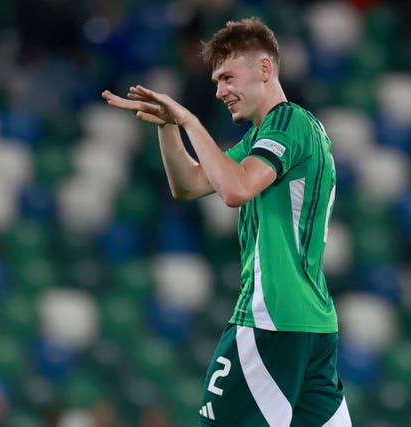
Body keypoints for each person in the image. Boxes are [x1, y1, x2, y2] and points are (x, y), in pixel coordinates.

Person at [102, 17, 351, 427]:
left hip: (271, 320)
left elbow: (235, 190)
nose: (220, 92)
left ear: (265, 69)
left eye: (228, 77)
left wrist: (190, 122)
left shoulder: (287, 122)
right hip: (312, 325)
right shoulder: (267, 138)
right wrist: (168, 126)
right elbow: (190, 184)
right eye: (216, 81)